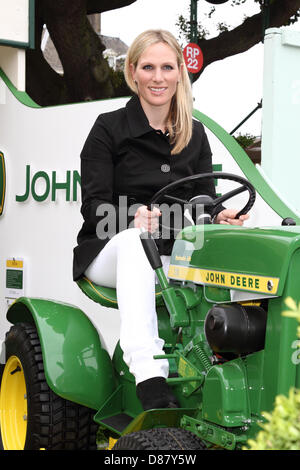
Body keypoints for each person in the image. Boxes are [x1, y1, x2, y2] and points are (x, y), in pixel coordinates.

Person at [73, 29, 249, 411]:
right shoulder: (107, 129)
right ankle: (148, 374)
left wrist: (220, 214)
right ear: (133, 72)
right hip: (110, 250)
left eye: (167, 67)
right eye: (148, 67)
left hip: (173, 256)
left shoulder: (195, 133)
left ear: (179, 74)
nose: (158, 77)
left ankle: (237, 362)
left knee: (240, 250)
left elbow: (201, 199)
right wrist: (132, 216)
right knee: (138, 243)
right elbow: (93, 207)